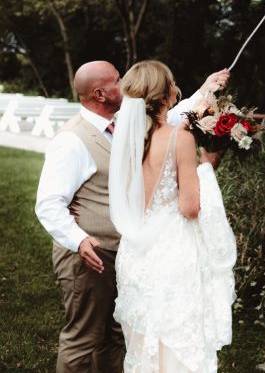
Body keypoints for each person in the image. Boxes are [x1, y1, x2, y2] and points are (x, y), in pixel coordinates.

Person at [35, 60, 230, 372]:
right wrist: (79, 240)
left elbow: (172, 117)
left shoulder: (130, 127)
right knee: (83, 338)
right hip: (88, 254)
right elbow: (47, 203)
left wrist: (207, 89)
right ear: (100, 94)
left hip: (131, 251)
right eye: (117, 79)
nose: (125, 83)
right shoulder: (71, 140)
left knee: (118, 337)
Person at [108, 60, 237, 372]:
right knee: (176, 339)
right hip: (172, 252)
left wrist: (207, 89)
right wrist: (206, 167)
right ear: (166, 95)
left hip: (136, 251)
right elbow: (190, 207)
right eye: (173, 85)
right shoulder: (180, 138)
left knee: (143, 342)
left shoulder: (124, 140)